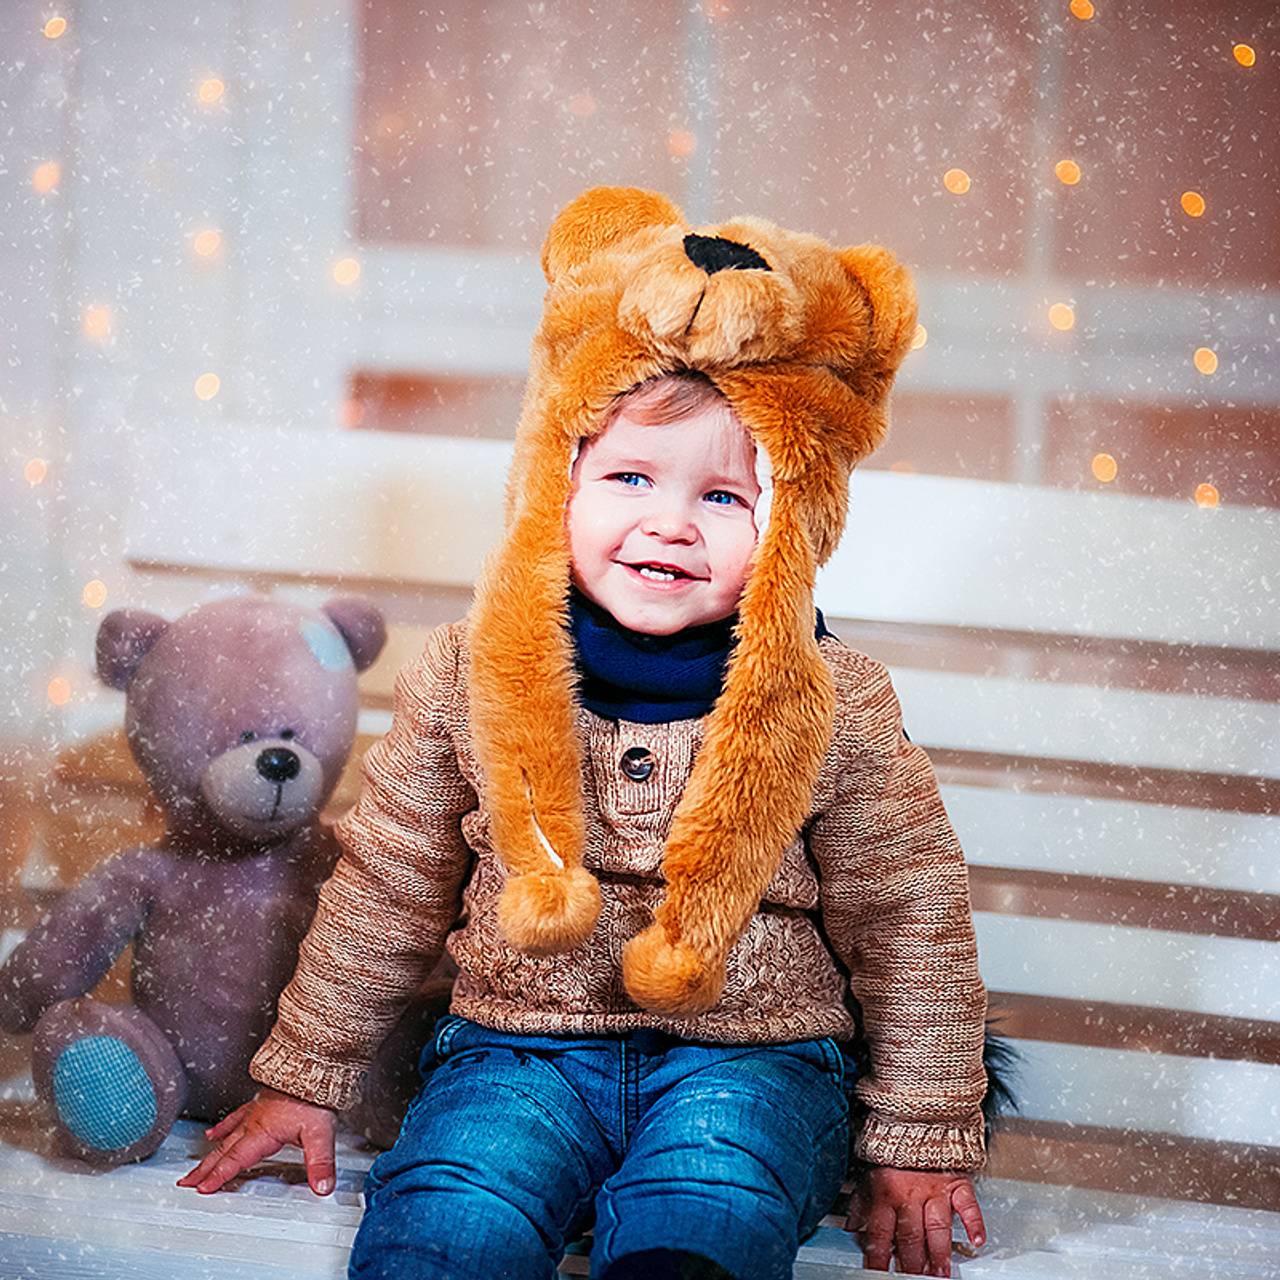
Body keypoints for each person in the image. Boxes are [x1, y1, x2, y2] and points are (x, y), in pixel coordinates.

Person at [180, 186, 990, 1280]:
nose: (668, 519)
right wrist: (306, 1068)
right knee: (453, 1201)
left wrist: (922, 1130)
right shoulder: (471, 671)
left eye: (724, 497)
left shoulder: (832, 697)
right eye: (627, 476)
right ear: (554, 478)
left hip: (751, 1060)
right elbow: (389, 880)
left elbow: (909, 911)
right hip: (516, 1048)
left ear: (795, 520)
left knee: (711, 1195)